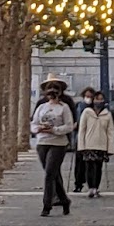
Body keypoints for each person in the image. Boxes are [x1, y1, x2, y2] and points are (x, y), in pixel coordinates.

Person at [31, 78, 74, 217]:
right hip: (42, 143)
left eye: (55, 92)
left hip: (58, 144)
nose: (52, 95)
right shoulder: (41, 107)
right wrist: (38, 129)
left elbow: (69, 126)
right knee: (52, 174)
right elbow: (33, 123)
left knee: (49, 173)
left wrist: (55, 130)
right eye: (49, 93)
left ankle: (46, 205)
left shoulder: (64, 107)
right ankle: (65, 200)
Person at [77, 89, 114, 197]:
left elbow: (110, 132)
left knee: (98, 168)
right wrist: (81, 146)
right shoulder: (86, 113)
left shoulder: (107, 114)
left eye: (101, 99)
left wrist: (110, 148)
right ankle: (91, 188)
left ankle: (96, 187)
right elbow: (82, 130)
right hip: (89, 144)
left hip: (102, 145)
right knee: (89, 167)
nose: (99, 101)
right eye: (97, 99)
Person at [73, 87, 96, 192]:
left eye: (91, 96)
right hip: (80, 137)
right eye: (87, 96)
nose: (89, 98)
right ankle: (78, 183)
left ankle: (92, 184)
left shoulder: (96, 108)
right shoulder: (79, 106)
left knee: (92, 163)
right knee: (79, 162)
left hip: (93, 138)